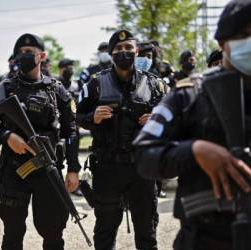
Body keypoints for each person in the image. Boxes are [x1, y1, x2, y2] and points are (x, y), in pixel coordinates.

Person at [134, 0, 251, 249]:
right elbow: (144, 155)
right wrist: (194, 151)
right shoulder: (189, 95)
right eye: (244, 36)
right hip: (206, 237)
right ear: (222, 43)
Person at [0, 33, 80, 250]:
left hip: (49, 169)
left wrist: (73, 169)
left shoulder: (57, 89)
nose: (24, 57)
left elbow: (71, 131)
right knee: (13, 232)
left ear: (42, 56)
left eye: (30, 53)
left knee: (53, 231)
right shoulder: (3, 89)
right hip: (14, 171)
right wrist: (7, 137)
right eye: (21, 53)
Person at [77, 29, 167, 250]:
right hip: (108, 168)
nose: (124, 52)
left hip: (143, 169)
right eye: (118, 49)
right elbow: (75, 117)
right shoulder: (95, 84)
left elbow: (174, 119)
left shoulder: (155, 85)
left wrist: (158, 120)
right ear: (111, 53)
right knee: (105, 231)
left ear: (136, 51)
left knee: (147, 231)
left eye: (128, 48)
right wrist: (92, 118)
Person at [57, 58, 83, 197]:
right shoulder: (55, 84)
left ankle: (74, 184)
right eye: (67, 66)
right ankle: (58, 183)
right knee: (57, 156)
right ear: (60, 69)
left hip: (73, 127)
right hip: (59, 128)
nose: (70, 69)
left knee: (73, 155)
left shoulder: (77, 85)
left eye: (71, 66)